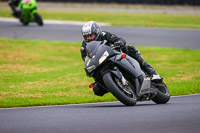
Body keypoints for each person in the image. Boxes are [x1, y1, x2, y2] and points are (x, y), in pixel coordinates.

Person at [80, 21, 160, 79]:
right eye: (87, 36)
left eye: (91, 35)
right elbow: (87, 60)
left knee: (129, 49)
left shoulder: (104, 35)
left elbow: (119, 39)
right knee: (96, 89)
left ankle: (151, 71)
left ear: (97, 32)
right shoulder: (84, 47)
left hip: (114, 55)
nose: (89, 38)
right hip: (101, 64)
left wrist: (118, 43)